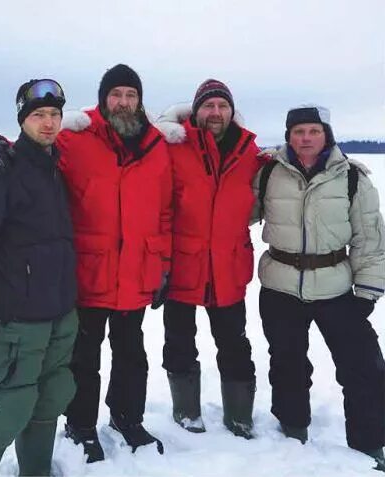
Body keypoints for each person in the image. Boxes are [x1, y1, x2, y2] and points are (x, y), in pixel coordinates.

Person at [0, 64, 172, 463]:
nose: (123, 102)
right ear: (103, 100)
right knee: (84, 356)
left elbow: (165, 211)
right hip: (87, 273)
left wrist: (162, 263)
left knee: (132, 353)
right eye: (116, 94)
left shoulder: (157, 146)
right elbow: (29, 148)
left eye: (131, 95)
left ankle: (127, 418)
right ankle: (81, 425)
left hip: (137, 271)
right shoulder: (76, 139)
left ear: (140, 101)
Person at [0, 78, 78, 477]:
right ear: (22, 120)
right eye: (39, 115)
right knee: (7, 410)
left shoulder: (57, 166)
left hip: (58, 315)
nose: (49, 123)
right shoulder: (1, 171)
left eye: (55, 115)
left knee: (49, 401)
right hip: (13, 321)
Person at [253, 104, 385, 471]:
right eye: (298, 132)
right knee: (287, 363)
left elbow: (370, 238)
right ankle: (293, 428)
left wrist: (368, 291)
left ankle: (369, 442)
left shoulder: (353, 178)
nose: (305, 138)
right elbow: (236, 211)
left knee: (364, 367)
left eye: (313, 131)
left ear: (326, 134)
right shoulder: (267, 174)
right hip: (280, 285)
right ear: (287, 136)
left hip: (336, 287)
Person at [154, 79, 262, 438]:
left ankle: (239, 415)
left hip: (228, 266)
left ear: (232, 112)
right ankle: (187, 411)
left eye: (223, 106)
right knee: (179, 342)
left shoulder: (249, 153)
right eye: (208, 106)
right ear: (196, 110)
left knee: (234, 343)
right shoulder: (172, 147)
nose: (216, 113)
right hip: (181, 266)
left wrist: (341, 163)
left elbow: (297, 165)